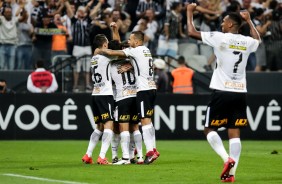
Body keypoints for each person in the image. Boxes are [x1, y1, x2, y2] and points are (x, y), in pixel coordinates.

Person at [187, 3, 260, 182]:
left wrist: (189, 12)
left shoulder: (220, 38)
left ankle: (226, 159)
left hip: (222, 90)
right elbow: (257, 39)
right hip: (240, 92)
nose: (221, 24)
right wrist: (249, 22)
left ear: (230, 25)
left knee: (209, 128)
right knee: (234, 132)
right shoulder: (247, 41)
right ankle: (231, 175)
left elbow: (191, 32)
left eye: (224, 21)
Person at [96, 30, 160, 164]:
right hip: (149, 88)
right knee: (142, 123)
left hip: (139, 91)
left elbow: (113, 52)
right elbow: (120, 47)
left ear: (136, 41)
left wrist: (100, 50)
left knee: (142, 121)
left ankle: (147, 152)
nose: (129, 43)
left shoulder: (132, 53)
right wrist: (115, 31)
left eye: (131, 40)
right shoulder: (145, 50)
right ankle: (149, 151)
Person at [82, 34, 115, 165]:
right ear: (105, 45)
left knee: (99, 127)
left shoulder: (94, 58)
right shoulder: (106, 58)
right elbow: (117, 55)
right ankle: (102, 156)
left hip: (95, 94)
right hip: (105, 94)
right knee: (109, 125)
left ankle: (88, 154)